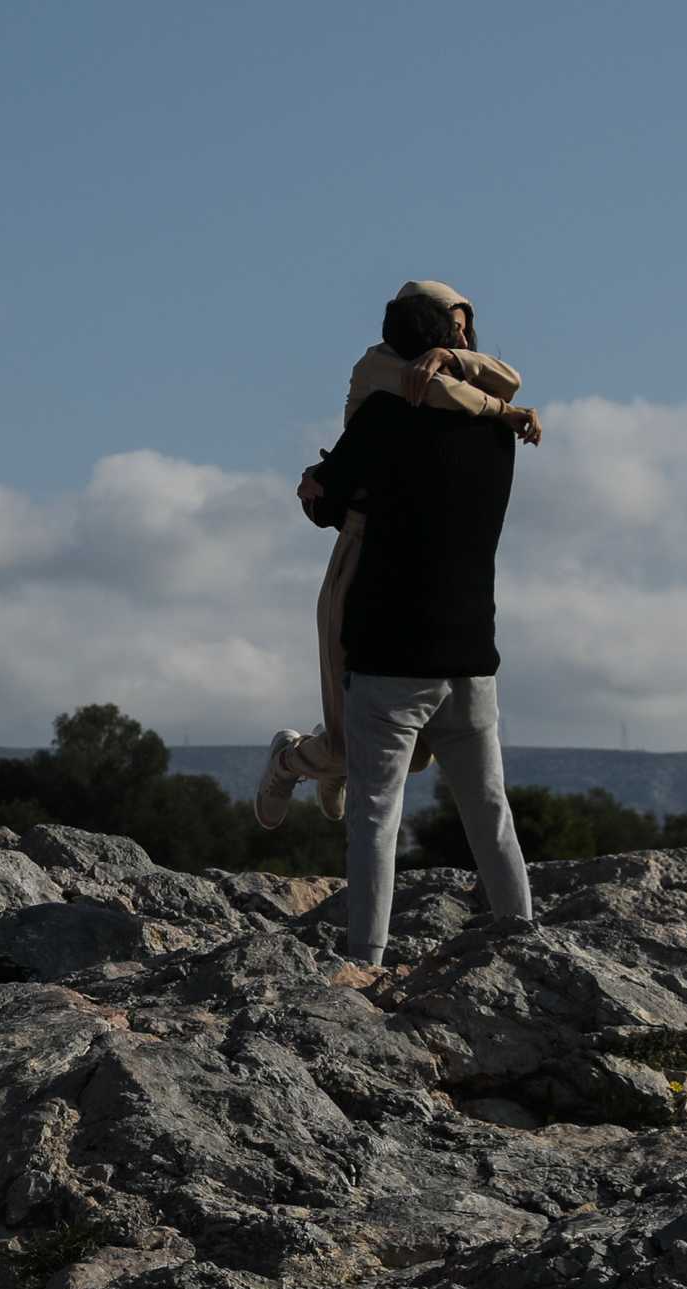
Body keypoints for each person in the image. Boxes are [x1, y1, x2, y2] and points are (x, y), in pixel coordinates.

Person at [296, 287, 536, 967]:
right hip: (470, 651)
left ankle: (367, 959)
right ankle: (520, 937)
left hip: (389, 649)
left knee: (375, 815)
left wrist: (317, 487)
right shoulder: (499, 429)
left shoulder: (381, 419)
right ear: (456, 344)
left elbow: (327, 504)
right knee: (489, 812)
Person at [256, 282, 540, 829]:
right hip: (364, 552)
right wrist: (503, 412)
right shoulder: (387, 376)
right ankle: (290, 762)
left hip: (421, 576)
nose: (461, 334)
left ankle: (324, 763)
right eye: (451, 326)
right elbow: (440, 396)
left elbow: (507, 376)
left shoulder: (462, 369)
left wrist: (463, 365)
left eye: (464, 325)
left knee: (416, 753)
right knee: (357, 743)